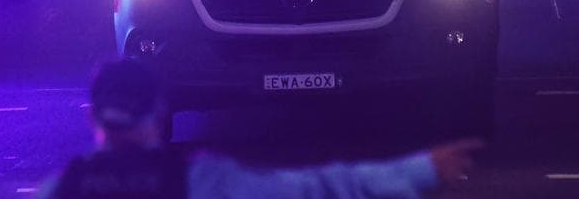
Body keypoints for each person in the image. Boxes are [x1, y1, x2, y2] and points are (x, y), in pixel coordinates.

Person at [40, 59, 482, 199]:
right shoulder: (198, 180)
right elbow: (315, 189)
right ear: (159, 116)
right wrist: (420, 169)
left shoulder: (61, 188)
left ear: (92, 118)